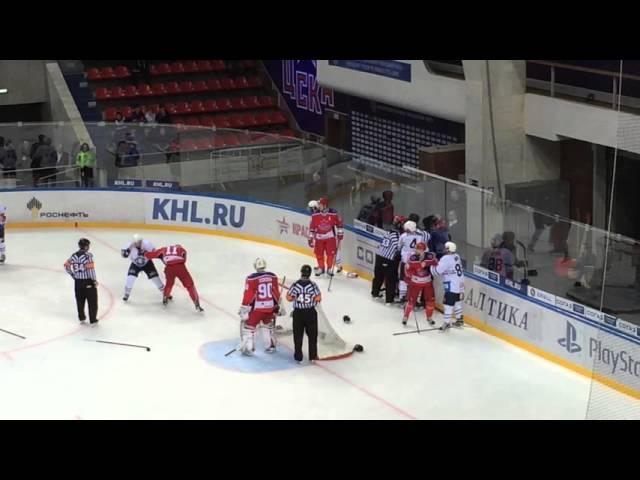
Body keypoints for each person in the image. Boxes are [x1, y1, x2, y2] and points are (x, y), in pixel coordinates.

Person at [237, 258, 284, 356]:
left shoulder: (251, 278)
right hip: (270, 307)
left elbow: (248, 295)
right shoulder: (273, 276)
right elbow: (276, 293)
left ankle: (249, 349)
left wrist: (244, 308)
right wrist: (278, 306)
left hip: (257, 309)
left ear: (255, 266)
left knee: (249, 328)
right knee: (268, 326)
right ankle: (270, 346)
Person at [144, 244, 204, 312]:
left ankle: (165, 297)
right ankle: (196, 302)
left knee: (169, 283)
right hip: (181, 267)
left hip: (169, 268)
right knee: (190, 285)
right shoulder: (183, 250)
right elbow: (184, 260)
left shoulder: (164, 249)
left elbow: (152, 255)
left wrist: (145, 253)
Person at [286, 264, 322, 362]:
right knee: (312, 336)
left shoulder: (295, 284)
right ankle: (313, 356)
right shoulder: (313, 285)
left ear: (301, 272)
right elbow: (319, 298)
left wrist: (295, 298)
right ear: (310, 274)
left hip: (298, 313)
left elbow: (288, 297)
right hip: (310, 313)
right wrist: (312, 298)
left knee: (297, 335)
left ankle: (298, 356)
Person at [431, 242, 465, 332]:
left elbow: (436, 272)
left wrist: (431, 265)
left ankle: (446, 323)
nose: (444, 249)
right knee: (457, 302)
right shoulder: (456, 256)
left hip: (451, 285)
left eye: (446, 248)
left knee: (448, 305)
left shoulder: (446, 258)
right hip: (460, 284)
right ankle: (459, 320)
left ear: (448, 249)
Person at [64, 238, 99, 325]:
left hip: (78, 282)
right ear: (86, 246)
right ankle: (93, 319)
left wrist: (72, 274)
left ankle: (82, 317)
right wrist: (94, 280)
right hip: (88, 281)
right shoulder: (88, 256)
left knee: (80, 300)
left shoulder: (73, 255)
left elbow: (66, 266)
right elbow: (90, 270)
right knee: (92, 301)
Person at [121, 234, 165, 302]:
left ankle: (165, 292)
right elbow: (124, 255)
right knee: (130, 278)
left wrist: (147, 253)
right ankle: (127, 293)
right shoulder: (129, 245)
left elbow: (156, 253)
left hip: (147, 263)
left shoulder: (147, 244)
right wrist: (129, 248)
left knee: (155, 278)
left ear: (141, 241)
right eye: (136, 242)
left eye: (139, 242)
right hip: (135, 264)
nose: (137, 244)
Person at [402, 242, 438, 326]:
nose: (418, 250)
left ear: (424, 249)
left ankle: (429, 318)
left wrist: (434, 265)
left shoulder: (430, 256)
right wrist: (409, 277)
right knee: (411, 301)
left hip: (427, 282)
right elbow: (407, 269)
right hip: (416, 283)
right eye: (417, 248)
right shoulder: (412, 258)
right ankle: (405, 317)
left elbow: (437, 264)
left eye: (420, 249)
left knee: (430, 300)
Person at [371, 215, 404, 305]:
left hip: (379, 256)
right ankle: (389, 300)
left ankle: (375, 293)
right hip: (388, 259)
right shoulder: (397, 236)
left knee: (378, 276)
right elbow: (398, 248)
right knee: (390, 279)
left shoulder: (387, 232)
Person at [308, 197, 343, 277]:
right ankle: (321, 268)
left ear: (324, 205)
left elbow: (339, 224)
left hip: (330, 237)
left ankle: (329, 268)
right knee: (319, 254)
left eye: (319, 204)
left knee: (330, 255)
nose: (318, 205)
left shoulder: (333, 213)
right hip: (319, 238)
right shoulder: (315, 215)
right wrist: (310, 238)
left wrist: (340, 233)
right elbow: (312, 227)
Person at [397, 220, 430, 303]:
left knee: (403, 280)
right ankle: (417, 300)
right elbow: (426, 247)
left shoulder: (403, 236)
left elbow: (399, 247)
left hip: (406, 261)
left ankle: (402, 297)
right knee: (417, 280)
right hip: (417, 262)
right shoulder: (420, 236)